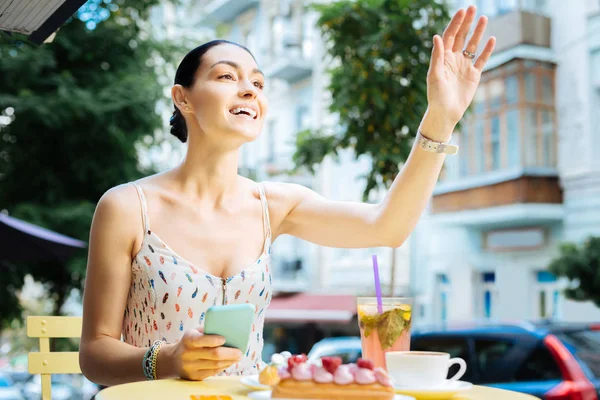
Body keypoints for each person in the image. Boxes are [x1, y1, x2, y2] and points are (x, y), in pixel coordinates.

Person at [79, 5, 495, 386]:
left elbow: (388, 227)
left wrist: (441, 118)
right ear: (182, 97)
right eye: (227, 76)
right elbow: (95, 354)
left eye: (258, 83)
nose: (249, 90)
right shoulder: (127, 207)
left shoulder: (273, 206)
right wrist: (168, 360)